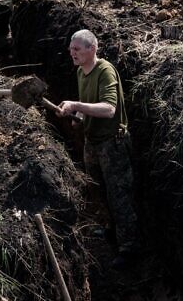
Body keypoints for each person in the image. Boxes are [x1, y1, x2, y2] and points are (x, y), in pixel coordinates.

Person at [58, 29, 140, 267]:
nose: (72, 53)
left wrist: (75, 104)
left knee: (119, 196)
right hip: (92, 142)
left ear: (91, 49)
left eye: (77, 49)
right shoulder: (81, 72)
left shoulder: (104, 70)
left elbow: (108, 109)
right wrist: (77, 117)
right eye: (71, 49)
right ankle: (112, 230)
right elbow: (88, 109)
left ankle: (130, 248)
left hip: (112, 144)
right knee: (99, 191)